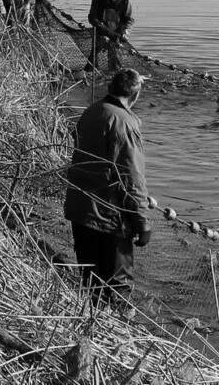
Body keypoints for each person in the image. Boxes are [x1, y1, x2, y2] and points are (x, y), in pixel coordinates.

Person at [63, 68, 152, 305]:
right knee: (117, 286)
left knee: (90, 281)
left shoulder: (91, 111)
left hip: (80, 209)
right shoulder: (125, 123)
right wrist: (143, 223)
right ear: (136, 95)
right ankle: (118, 334)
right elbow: (132, 177)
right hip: (107, 216)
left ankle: (90, 327)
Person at [87, 0, 133, 71]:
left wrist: (125, 31)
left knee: (114, 64)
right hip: (100, 32)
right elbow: (92, 17)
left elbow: (128, 19)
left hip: (116, 34)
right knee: (92, 63)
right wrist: (102, 32)